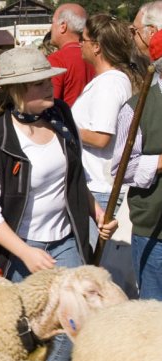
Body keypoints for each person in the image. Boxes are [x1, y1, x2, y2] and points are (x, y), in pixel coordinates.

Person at [0, 47, 117, 361]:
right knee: (25, 331)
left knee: (75, 324)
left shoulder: (60, 116)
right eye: (38, 83)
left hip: (66, 243)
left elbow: (73, 177)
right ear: (17, 92)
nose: (49, 87)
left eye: (48, 80)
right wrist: (27, 254)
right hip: (18, 250)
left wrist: (96, 214)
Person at [72, 14, 142, 250]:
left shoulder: (109, 84)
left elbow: (102, 137)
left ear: (97, 46)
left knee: (98, 266)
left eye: (83, 39)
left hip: (101, 187)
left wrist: (64, 129)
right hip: (100, 184)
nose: (80, 44)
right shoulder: (110, 81)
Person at [112, 30, 162, 301]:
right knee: (156, 315)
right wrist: (160, 162)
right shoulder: (136, 108)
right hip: (155, 230)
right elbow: (122, 170)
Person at [48, 3, 95, 106]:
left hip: (67, 121)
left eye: (52, 23)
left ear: (63, 26)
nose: (50, 28)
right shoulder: (97, 55)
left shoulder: (57, 60)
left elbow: (48, 104)